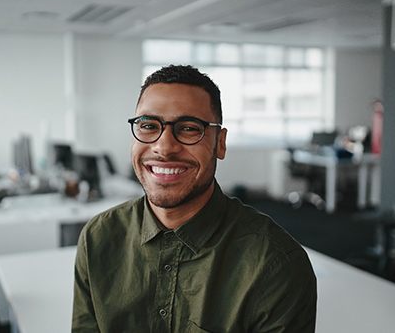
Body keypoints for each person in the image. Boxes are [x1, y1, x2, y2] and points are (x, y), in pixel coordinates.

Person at [72, 65, 317, 332]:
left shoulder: (275, 264)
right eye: (148, 125)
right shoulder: (98, 238)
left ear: (220, 143)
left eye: (189, 128)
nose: (164, 147)